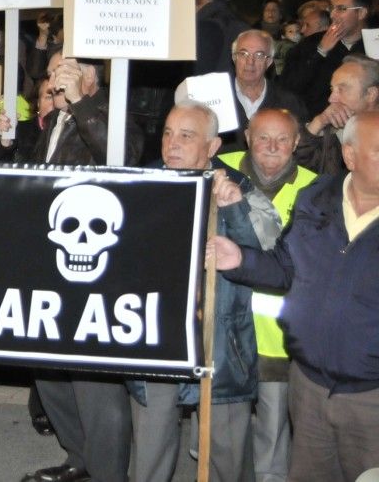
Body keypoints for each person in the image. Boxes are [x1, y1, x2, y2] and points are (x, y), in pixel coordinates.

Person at [210, 110, 379, 482]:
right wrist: (241, 260)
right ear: (349, 155)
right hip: (309, 387)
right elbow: (286, 266)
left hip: (370, 398)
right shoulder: (317, 196)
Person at [128, 101, 281, 482]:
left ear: (212, 146)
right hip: (156, 342)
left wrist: (233, 208)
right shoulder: (142, 185)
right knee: (149, 457)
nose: (172, 144)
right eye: (167, 133)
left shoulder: (238, 188)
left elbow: (270, 252)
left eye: (186, 135)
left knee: (228, 459)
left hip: (221, 345)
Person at [23, 52, 143, 482]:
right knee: (50, 371)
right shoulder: (57, 118)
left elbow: (122, 157)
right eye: (52, 70)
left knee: (94, 381)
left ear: (88, 78)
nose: (52, 77)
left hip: (97, 269)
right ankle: (79, 456)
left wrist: (80, 103)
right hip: (51, 261)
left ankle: (110, 473)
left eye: (63, 71)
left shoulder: (111, 112)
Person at [218, 108, 317, 482]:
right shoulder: (219, 167)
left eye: (282, 140)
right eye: (263, 137)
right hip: (223, 331)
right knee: (218, 436)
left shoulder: (316, 187)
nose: (272, 147)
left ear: (296, 143)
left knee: (272, 441)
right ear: (247, 137)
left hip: (278, 339)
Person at [281, 0, 370, 115]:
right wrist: (320, 52)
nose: (333, 14)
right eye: (332, 8)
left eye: (341, 9)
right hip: (315, 123)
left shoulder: (373, 44)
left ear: (361, 13)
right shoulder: (311, 43)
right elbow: (288, 87)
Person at [221, 29, 306, 153]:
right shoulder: (216, 98)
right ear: (234, 58)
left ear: (269, 62)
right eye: (243, 54)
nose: (250, 62)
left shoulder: (289, 103)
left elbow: (302, 150)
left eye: (259, 55)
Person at [294, 53, 379, 174]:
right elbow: (296, 168)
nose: (331, 99)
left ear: (371, 94)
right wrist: (318, 123)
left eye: (341, 90)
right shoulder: (333, 128)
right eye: (332, 89)